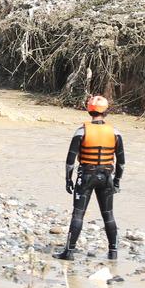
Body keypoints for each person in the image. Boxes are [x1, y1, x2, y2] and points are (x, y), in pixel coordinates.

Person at [54, 95, 125, 262]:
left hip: (86, 175)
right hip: (107, 176)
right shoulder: (115, 132)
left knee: (78, 214)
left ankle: (69, 252)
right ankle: (113, 252)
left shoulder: (81, 131)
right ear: (106, 111)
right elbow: (121, 162)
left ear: (89, 110)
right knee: (108, 215)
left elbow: (70, 160)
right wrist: (116, 182)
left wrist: (68, 179)